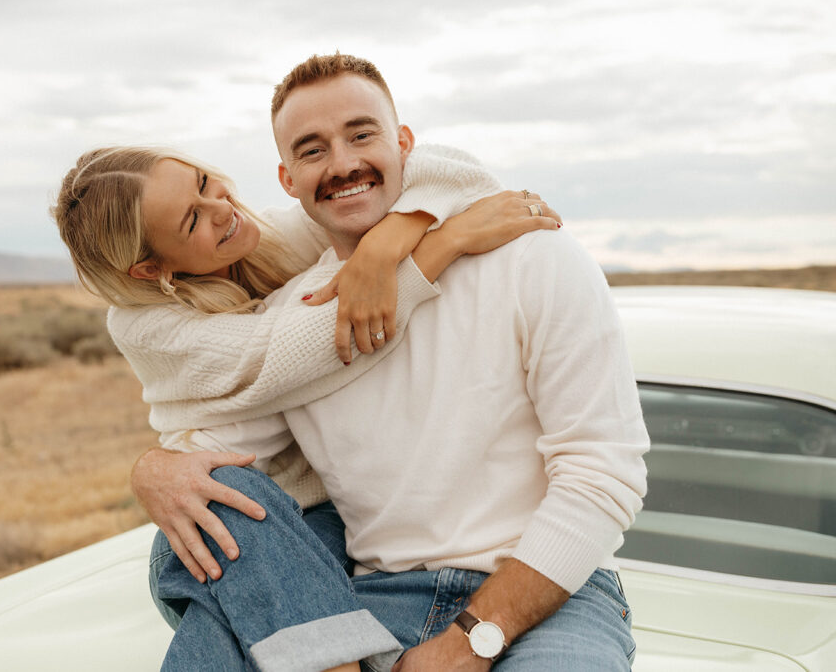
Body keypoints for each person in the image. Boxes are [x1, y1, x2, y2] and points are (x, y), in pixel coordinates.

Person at [140, 53, 650, 671]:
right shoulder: (294, 328)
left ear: (404, 144)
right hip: (378, 593)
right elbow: (212, 461)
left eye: (362, 134)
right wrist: (152, 469)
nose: (344, 164)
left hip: (554, 593)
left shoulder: (531, 257)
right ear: (287, 179)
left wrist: (470, 640)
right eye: (312, 150)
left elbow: (603, 475)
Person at [54, 140, 561, 669]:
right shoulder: (142, 324)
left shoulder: (272, 238)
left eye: (205, 184)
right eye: (192, 222)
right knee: (241, 503)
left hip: (319, 524)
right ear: (149, 269)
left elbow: (445, 168)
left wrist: (389, 238)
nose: (222, 209)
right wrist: (444, 241)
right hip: (219, 521)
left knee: (220, 648)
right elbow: (307, 346)